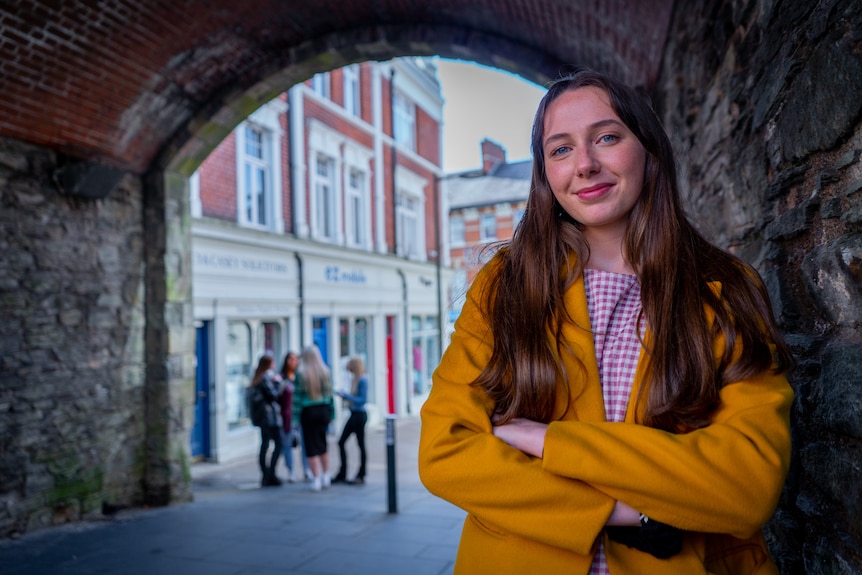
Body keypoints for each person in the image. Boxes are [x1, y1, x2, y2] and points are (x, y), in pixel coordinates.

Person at [418, 68, 794, 574]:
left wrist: (547, 441)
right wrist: (625, 514)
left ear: (648, 150)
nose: (585, 165)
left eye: (607, 137)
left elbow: (748, 485)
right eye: (561, 149)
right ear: (545, 173)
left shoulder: (724, 289)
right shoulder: (506, 285)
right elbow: (445, 448)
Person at [293, 345, 335, 492]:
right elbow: (330, 396)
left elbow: (296, 399)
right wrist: (332, 414)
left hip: (308, 411)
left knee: (311, 446)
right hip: (323, 410)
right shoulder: (325, 372)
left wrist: (294, 419)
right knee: (322, 443)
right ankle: (326, 475)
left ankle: (316, 478)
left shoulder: (301, 373)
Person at [333, 356, 369, 485]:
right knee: (344, 443)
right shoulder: (355, 379)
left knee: (355, 444)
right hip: (354, 414)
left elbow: (362, 400)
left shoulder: (363, 380)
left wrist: (346, 396)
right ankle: (345, 473)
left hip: (358, 416)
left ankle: (360, 474)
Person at [250, 354, 283, 487]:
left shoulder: (258, 378)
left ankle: (267, 474)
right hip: (269, 418)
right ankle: (270, 474)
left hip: (264, 418)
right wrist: (279, 383)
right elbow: (273, 396)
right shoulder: (265, 379)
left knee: (265, 445)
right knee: (276, 444)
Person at [278, 351, 302, 483]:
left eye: (295, 359)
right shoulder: (281, 378)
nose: (293, 362)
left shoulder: (300, 377)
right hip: (287, 416)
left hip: (300, 414)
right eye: (290, 359)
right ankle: (291, 470)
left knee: (304, 443)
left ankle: (307, 470)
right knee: (287, 444)